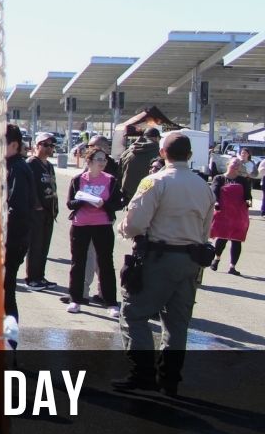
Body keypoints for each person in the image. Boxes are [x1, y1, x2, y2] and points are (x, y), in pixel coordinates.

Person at [115, 132, 216, 396]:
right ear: (190, 156)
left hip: (158, 259)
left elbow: (135, 223)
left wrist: (124, 228)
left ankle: (143, 373)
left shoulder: (154, 181)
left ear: (162, 154)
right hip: (191, 261)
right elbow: (206, 230)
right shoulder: (203, 186)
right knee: (177, 323)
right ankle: (170, 379)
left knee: (134, 314)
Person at [64, 148, 121, 315]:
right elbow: (70, 203)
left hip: (102, 225)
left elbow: (118, 203)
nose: (102, 162)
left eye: (104, 159)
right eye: (98, 159)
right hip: (80, 225)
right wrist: (82, 200)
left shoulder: (111, 180)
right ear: (88, 162)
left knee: (105, 263)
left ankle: (111, 302)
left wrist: (103, 204)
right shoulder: (77, 179)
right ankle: (75, 299)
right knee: (78, 262)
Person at [1, 123, 36, 327]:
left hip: (11, 241)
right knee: (3, 291)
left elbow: (18, 208)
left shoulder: (17, 169)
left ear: (13, 145)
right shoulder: (10, 166)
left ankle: (9, 341)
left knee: (6, 293)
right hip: (10, 239)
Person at [24, 132, 59, 289]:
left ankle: (40, 276)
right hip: (36, 212)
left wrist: (55, 207)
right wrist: (36, 205)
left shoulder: (50, 166)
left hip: (49, 212)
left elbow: (53, 187)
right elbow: (29, 187)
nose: (49, 148)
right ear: (37, 146)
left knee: (44, 246)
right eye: (45, 144)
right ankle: (32, 278)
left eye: (51, 145)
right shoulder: (31, 163)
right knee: (35, 246)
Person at [210, 157, 251, 275]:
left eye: (238, 164)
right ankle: (216, 258)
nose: (236, 165)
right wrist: (216, 202)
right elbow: (214, 191)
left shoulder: (243, 180)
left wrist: (248, 201)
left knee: (236, 240)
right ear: (228, 164)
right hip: (223, 212)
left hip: (239, 213)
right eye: (234, 163)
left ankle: (232, 267)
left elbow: (247, 195)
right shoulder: (220, 178)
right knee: (221, 238)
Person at [120, 126, 161, 204]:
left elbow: (119, 173)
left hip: (129, 195)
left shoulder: (128, 151)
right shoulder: (159, 153)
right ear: (156, 138)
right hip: (150, 195)